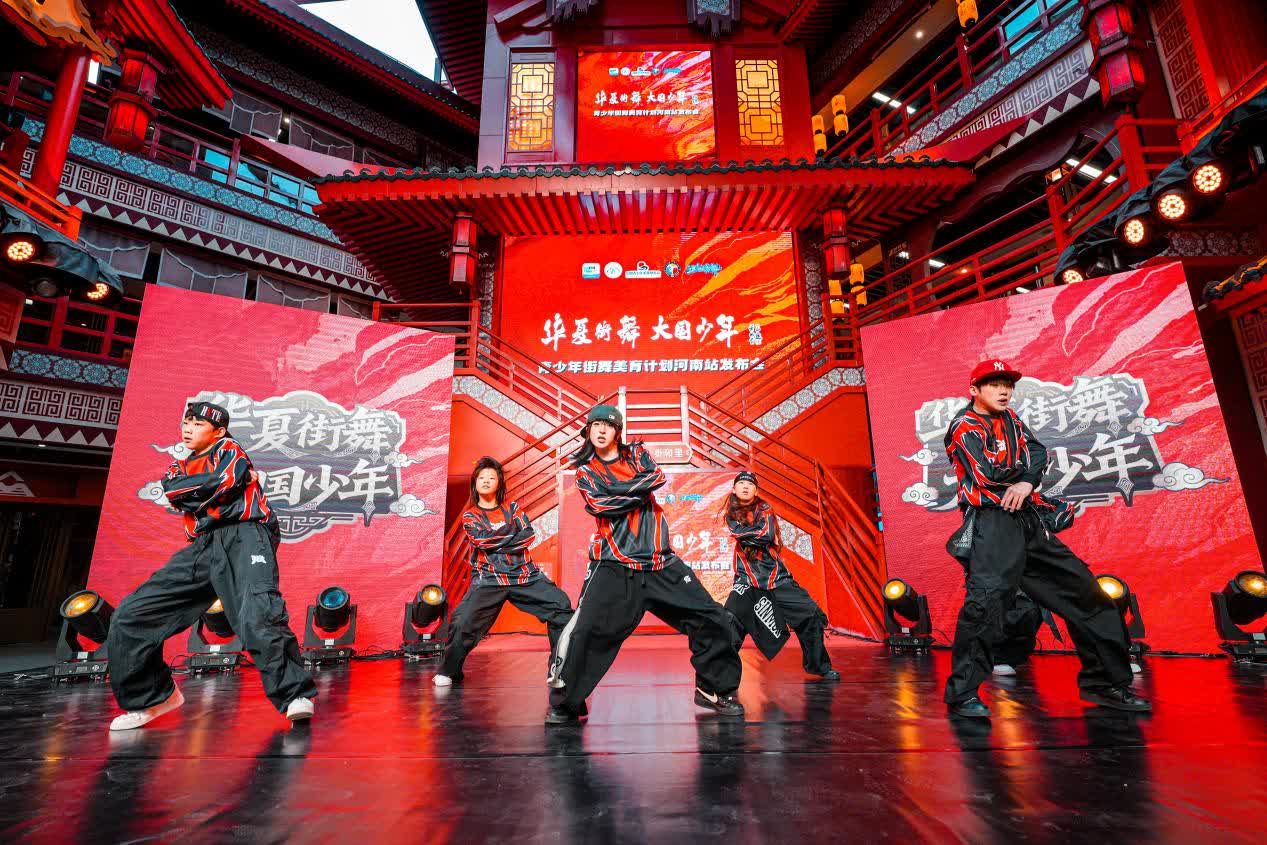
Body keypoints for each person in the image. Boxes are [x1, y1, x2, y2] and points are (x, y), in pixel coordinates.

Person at [942, 360, 1151, 718]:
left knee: (1087, 593)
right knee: (986, 605)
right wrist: (1023, 475)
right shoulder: (965, 427)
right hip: (993, 521)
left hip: (1027, 517)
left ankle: (1104, 683)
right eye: (994, 384)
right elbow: (990, 475)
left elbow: (1038, 452)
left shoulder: (1011, 418)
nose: (1004, 391)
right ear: (974, 390)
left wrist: (1027, 481)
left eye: (1008, 384)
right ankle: (963, 694)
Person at [105, 402, 317, 730]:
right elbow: (176, 491)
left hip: (246, 535)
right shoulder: (178, 466)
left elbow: (224, 481)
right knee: (131, 616)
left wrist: (205, 490)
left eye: (198, 424)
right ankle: (153, 698)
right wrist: (210, 488)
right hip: (203, 544)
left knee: (257, 611)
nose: (188, 429)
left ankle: (294, 695)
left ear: (218, 431)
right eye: (186, 423)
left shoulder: (229, 449)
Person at [546, 405, 744, 724]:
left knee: (713, 619)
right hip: (614, 564)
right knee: (586, 632)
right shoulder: (585, 471)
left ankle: (714, 689)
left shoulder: (636, 454)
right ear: (588, 431)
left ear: (617, 431)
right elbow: (601, 505)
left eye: (608, 425)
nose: (601, 430)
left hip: (660, 563)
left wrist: (620, 492)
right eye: (595, 425)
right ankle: (566, 704)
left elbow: (656, 478)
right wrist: (638, 491)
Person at [434, 456, 574, 687]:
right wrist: (511, 533)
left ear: (499, 483)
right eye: (482, 477)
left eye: (491, 477)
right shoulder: (471, 515)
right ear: (475, 483)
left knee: (561, 606)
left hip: (524, 576)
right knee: (462, 622)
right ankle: (450, 670)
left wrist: (498, 540)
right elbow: (481, 541)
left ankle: (558, 670)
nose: (486, 481)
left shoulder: (513, 508)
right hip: (489, 579)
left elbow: (527, 536)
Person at [722, 471, 840, 680]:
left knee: (810, 614)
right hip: (747, 579)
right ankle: (721, 672)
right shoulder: (730, 514)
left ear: (756, 490)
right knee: (731, 622)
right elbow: (742, 534)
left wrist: (752, 535)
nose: (745, 487)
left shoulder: (765, 508)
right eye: (741, 483)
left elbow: (766, 534)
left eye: (750, 484)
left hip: (775, 577)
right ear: (734, 489)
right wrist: (754, 534)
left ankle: (819, 666)